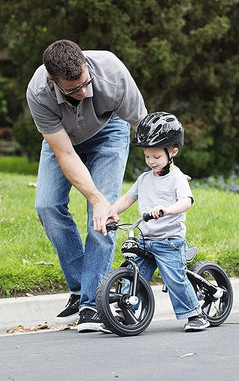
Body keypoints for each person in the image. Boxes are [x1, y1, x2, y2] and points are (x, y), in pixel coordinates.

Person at [26, 40, 147, 332]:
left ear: (85, 65)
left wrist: (166, 167)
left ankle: (92, 304)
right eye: (73, 90)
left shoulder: (111, 72)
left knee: (104, 217)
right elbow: (65, 153)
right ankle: (84, 291)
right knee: (47, 206)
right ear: (52, 80)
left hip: (110, 131)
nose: (83, 92)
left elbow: (143, 124)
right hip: (64, 141)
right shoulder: (39, 92)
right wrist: (95, 198)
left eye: (85, 83)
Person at [111, 111, 218, 331]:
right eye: (147, 156)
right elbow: (127, 198)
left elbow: (187, 201)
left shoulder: (177, 178)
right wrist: (111, 212)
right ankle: (124, 313)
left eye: (156, 157)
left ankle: (196, 314)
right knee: (133, 276)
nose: (151, 161)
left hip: (169, 241)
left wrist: (167, 210)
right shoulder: (143, 179)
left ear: (173, 152)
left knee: (174, 279)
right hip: (146, 239)